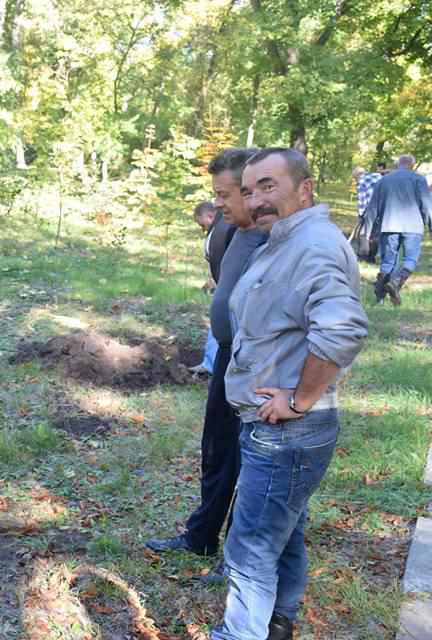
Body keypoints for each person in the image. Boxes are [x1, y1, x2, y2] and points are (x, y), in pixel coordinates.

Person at [212, 149, 368, 640]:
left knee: (250, 545)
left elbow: (341, 331)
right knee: (284, 526)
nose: (256, 199)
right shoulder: (284, 239)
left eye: (269, 186)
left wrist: (298, 400)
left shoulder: (312, 246)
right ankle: (279, 620)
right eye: (250, 188)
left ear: (305, 190)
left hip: (287, 430)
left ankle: (241, 634)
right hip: (277, 428)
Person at [146, 148, 265, 565]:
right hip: (229, 358)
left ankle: (238, 555)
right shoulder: (234, 231)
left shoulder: (273, 239)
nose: (217, 203)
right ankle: (201, 535)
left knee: (250, 459)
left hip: (257, 364)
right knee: (216, 448)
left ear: (251, 192)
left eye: (226, 194)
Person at [365, 154, 432, 306]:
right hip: (413, 226)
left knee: (388, 262)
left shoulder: (384, 180)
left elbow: (373, 207)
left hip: (389, 224)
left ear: (397, 165)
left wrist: (367, 232)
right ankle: (396, 283)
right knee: (410, 259)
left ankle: (380, 298)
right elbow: (427, 205)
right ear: (412, 165)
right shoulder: (419, 179)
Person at [188, 201, 229, 376]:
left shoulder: (221, 230)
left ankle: (212, 365)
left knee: (218, 324)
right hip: (226, 284)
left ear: (210, 216)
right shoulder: (223, 227)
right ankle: (214, 363)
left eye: (202, 224)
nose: (202, 229)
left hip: (228, 287)